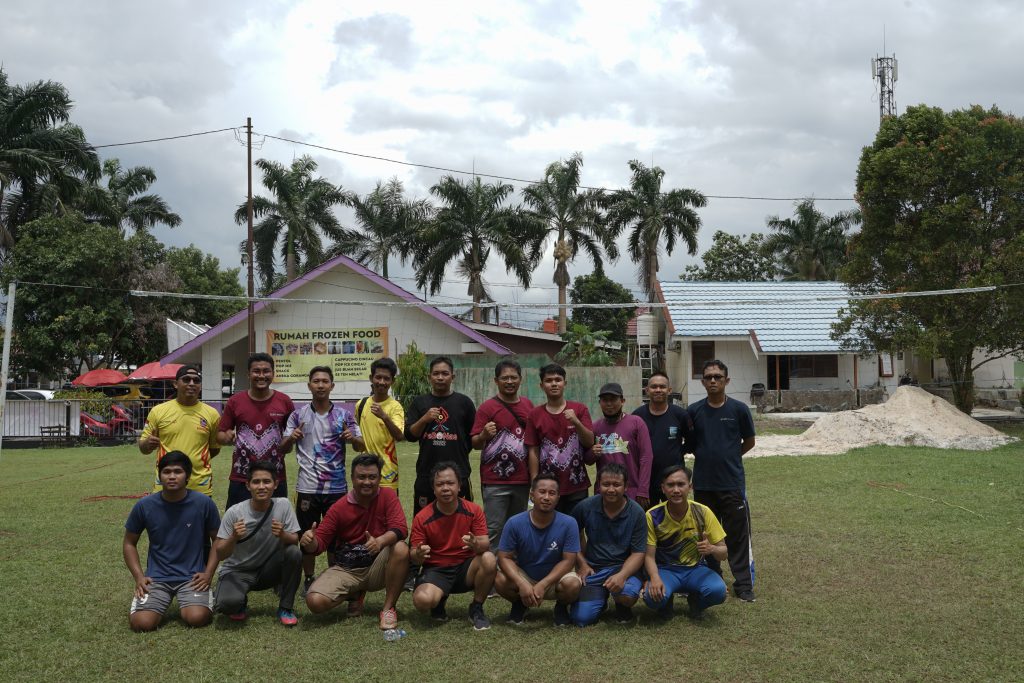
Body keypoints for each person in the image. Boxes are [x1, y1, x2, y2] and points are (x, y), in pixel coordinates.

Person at [300, 454, 409, 630]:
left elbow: (401, 528)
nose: (367, 482)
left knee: (401, 548)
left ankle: (388, 609)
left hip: (377, 567)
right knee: (315, 601)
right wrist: (310, 542)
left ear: (379, 478)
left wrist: (380, 541)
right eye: (361, 477)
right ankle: (354, 593)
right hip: (347, 569)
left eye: (372, 477)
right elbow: (320, 543)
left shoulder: (388, 496)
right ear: (352, 478)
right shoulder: (339, 507)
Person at [283, 366, 364, 596]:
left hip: (336, 488)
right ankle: (309, 578)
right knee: (306, 536)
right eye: (316, 381)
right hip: (307, 488)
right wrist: (291, 438)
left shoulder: (344, 415)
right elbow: (283, 448)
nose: (320, 385)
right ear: (309, 385)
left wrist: (353, 438)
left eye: (325, 381)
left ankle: (333, 577)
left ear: (332, 386)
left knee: (337, 537)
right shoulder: (298, 416)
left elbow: (361, 446)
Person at [122, 451, 220, 632]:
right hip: (156, 578)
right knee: (141, 623)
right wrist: (139, 577)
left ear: (188, 476)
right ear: (159, 476)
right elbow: (129, 543)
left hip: (192, 578)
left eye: (178, 471)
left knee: (197, 618)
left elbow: (218, 540)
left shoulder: (203, 503)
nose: (172, 476)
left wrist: (208, 573)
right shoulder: (145, 505)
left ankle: (202, 598)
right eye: (166, 472)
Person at [688, 359, 757, 602]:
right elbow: (691, 443)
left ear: (726, 380)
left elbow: (749, 441)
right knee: (705, 535)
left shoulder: (739, 409)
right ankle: (712, 577)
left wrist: (729, 457)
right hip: (703, 485)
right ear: (702, 382)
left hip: (732, 484)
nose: (713, 380)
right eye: (708, 377)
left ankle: (743, 584)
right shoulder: (694, 411)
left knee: (738, 536)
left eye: (718, 377)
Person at [213, 461, 303, 626]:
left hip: (267, 571)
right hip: (237, 571)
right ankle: (238, 601)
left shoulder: (283, 505)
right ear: (248, 485)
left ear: (275, 484)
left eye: (267, 481)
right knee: (227, 605)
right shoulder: (234, 512)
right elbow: (220, 553)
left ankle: (286, 608)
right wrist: (233, 537)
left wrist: (282, 534)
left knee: (294, 553)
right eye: (256, 482)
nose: (261, 487)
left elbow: (294, 540)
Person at [409, 462, 497, 630]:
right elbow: (414, 554)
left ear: (459, 486)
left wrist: (476, 544)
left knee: (489, 558)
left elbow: (485, 543)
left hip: (466, 569)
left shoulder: (474, 510)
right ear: (433, 489)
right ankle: (439, 601)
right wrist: (418, 555)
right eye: (440, 484)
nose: (445, 488)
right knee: (422, 601)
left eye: (450, 483)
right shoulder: (422, 517)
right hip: (437, 570)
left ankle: (476, 607)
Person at [494, 473, 582, 626]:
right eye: (542, 492)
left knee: (572, 584)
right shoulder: (514, 522)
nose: (546, 497)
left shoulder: (569, 523)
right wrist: (521, 583)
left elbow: (569, 561)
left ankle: (561, 608)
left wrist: (543, 584)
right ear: (532, 495)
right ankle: (520, 604)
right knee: (499, 579)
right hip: (526, 576)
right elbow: (504, 557)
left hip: (555, 578)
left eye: (552, 493)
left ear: (558, 498)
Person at [643, 465, 728, 619]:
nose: (676, 490)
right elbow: (648, 556)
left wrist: (712, 549)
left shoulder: (703, 512)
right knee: (651, 597)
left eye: (681, 484)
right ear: (663, 488)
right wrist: (654, 578)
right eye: (670, 485)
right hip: (665, 570)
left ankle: (696, 602)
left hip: (696, 569)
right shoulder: (652, 515)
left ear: (690, 487)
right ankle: (665, 602)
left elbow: (723, 553)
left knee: (718, 591)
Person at [570, 463, 646, 626]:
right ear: (599, 485)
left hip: (624, 568)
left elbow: (639, 553)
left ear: (626, 486)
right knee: (581, 618)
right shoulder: (585, 507)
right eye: (606, 484)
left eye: (616, 485)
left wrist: (622, 575)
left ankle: (622, 605)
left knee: (627, 595)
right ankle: (601, 599)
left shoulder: (637, 512)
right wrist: (582, 564)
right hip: (594, 569)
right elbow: (571, 535)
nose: (611, 489)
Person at [217, 352, 296, 509]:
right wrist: (226, 437)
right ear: (248, 374)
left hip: (274, 478)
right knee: (238, 521)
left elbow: (288, 442)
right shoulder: (235, 401)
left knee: (275, 521)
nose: (261, 375)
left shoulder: (285, 401)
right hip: (242, 477)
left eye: (266, 371)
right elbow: (220, 434)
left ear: (273, 374)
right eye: (256, 371)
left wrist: (290, 440)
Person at [470, 358, 534, 548]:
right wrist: (483, 435)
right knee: (494, 529)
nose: (509, 381)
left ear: (520, 379)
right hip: (494, 481)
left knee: (518, 527)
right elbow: (475, 444)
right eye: (505, 378)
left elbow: (533, 443)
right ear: (496, 381)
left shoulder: (528, 406)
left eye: (514, 377)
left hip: (522, 480)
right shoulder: (487, 408)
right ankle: (491, 564)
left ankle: (514, 563)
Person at [404, 356, 476, 514]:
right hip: (426, 474)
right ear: (429, 377)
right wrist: (424, 419)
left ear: (453, 377)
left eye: (445, 373)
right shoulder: (420, 402)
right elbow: (410, 435)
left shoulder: (464, 403)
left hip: (459, 474)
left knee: (462, 520)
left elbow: (472, 439)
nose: (440, 377)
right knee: (424, 519)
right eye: (436, 374)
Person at [138, 365, 221, 496]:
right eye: (186, 379)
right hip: (165, 485)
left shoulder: (212, 414)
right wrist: (147, 443)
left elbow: (214, 449)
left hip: (200, 486)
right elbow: (143, 448)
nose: (192, 383)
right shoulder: (158, 411)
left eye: (196, 380)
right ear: (176, 384)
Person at [525, 363, 595, 515]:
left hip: (576, 483)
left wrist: (576, 422)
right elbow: (533, 450)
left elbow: (589, 441)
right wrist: (535, 481)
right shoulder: (535, 415)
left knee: (576, 525)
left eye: (558, 380)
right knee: (548, 524)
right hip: (548, 486)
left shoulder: (579, 409)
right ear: (541, 385)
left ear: (565, 383)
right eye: (549, 380)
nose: (554, 384)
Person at [633, 371, 693, 505]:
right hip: (646, 480)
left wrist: (677, 452)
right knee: (648, 516)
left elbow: (691, 441)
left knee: (675, 514)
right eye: (654, 387)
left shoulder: (680, 415)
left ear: (669, 390)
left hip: (673, 480)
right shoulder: (637, 416)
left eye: (662, 386)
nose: (658, 390)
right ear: (647, 390)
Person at [592, 382, 653, 508]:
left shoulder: (636, 423)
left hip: (631, 491)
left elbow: (646, 457)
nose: (609, 404)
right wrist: (593, 453)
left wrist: (643, 490)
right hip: (604, 491)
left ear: (622, 401)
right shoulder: (596, 427)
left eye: (613, 399)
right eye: (605, 400)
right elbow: (587, 459)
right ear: (600, 403)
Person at [353, 357, 405, 492]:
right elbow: (358, 445)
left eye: (386, 378)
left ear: (392, 381)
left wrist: (384, 416)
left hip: (388, 474)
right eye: (378, 377)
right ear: (371, 378)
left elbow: (399, 436)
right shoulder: (361, 405)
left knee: (387, 506)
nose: (382, 382)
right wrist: (352, 438)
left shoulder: (395, 407)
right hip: (364, 473)